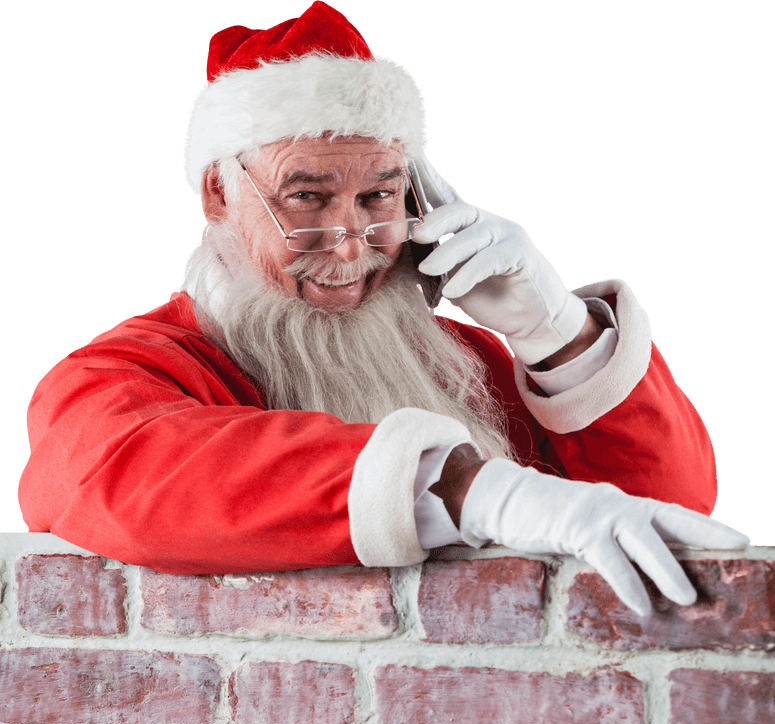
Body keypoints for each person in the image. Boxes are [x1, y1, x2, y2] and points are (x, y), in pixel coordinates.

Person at [18, 1, 747, 616]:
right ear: (217, 194)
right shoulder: (134, 367)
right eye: (306, 198)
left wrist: (553, 332)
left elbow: (673, 514)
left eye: (378, 197)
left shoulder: (470, 362)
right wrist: (471, 490)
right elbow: (119, 475)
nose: (348, 246)